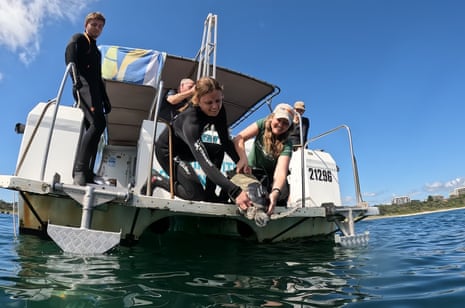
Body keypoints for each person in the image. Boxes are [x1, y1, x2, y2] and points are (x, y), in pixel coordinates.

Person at [145, 77, 252, 211]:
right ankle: (156, 179)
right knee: (195, 194)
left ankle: (210, 195)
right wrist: (236, 192)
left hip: (185, 148)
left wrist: (241, 161)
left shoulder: (219, 110)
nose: (215, 106)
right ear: (198, 101)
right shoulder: (191, 120)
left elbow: (226, 142)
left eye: (218, 100)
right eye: (209, 102)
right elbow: (205, 163)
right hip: (168, 152)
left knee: (218, 150)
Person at [65, 12, 111, 186]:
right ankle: (79, 170)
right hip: (82, 86)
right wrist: (75, 79)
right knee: (98, 124)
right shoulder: (79, 39)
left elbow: (98, 77)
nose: (97, 28)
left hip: (95, 92)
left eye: (100, 26)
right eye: (94, 24)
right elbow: (70, 58)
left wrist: (106, 99)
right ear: (86, 25)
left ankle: (88, 172)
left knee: (95, 131)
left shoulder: (97, 52)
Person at [233, 103, 295, 215]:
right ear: (272, 117)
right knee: (239, 181)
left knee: (278, 191)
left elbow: (280, 172)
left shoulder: (287, 145)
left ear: (289, 127)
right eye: (279, 120)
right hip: (251, 173)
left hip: (270, 180)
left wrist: (275, 193)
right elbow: (239, 138)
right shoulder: (262, 124)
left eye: (285, 123)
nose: (280, 125)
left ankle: (269, 205)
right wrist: (243, 158)